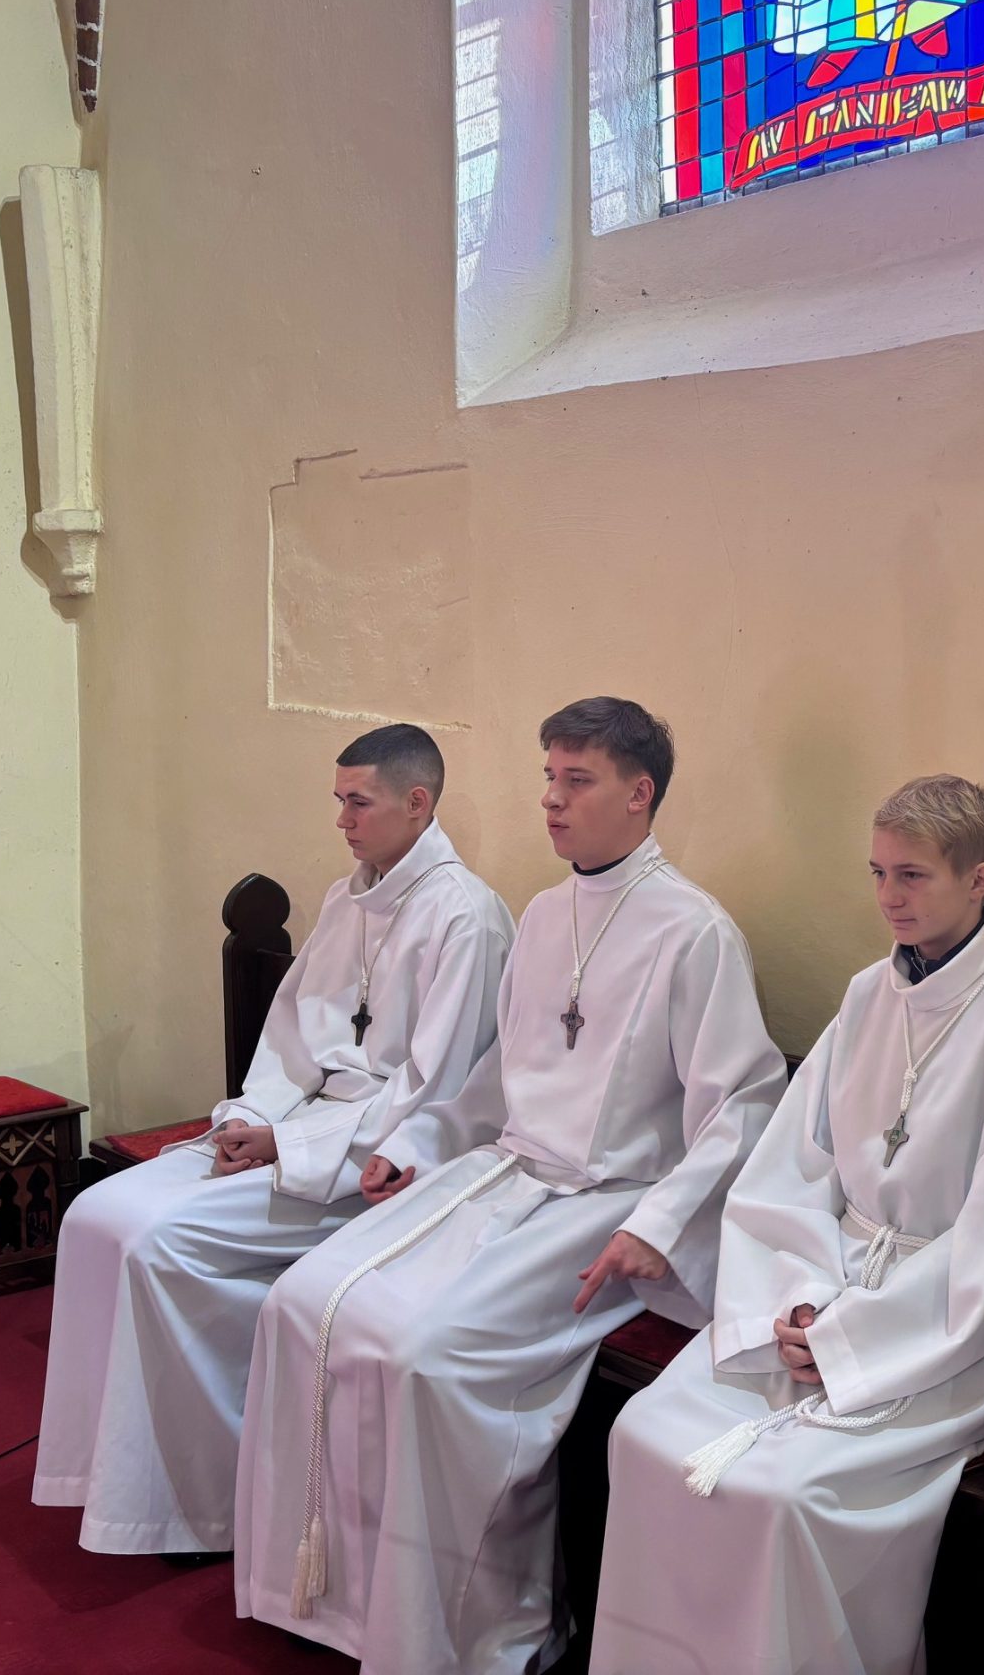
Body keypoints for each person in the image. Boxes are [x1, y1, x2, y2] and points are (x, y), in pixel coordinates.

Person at [234, 696, 787, 1673]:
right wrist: (420, 1141)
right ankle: (340, 1595)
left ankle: (482, 1631)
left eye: (577, 781)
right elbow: (499, 1075)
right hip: (505, 1170)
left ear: (639, 793)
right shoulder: (541, 914)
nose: (552, 801)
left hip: (607, 1203)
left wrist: (660, 1225)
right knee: (302, 1300)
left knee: (427, 1357)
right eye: (549, 778)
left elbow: (741, 1104)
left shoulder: (695, 932)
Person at [588, 774, 984, 1675]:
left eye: (913, 876)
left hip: (948, 1324)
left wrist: (850, 1336)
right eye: (878, 874)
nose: (889, 898)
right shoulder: (868, 995)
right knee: (643, 1435)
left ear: (980, 879)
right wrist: (796, 1300)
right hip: (819, 1285)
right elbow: (792, 1169)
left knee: (788, 1496)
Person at [33, 724, 511, 1554]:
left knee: (163, 1245)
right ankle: (109, 1478)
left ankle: (207, 1501)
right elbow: (292, 1041)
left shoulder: (468, 918)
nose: (342, 820)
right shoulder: (347, 899)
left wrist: (290, 1149)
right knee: (95, 1216)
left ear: (417, 802)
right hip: (299, 1128)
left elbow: (434, 1093)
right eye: (339, 801)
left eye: (358, 802)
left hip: (370, 1163)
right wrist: (249, 1121)